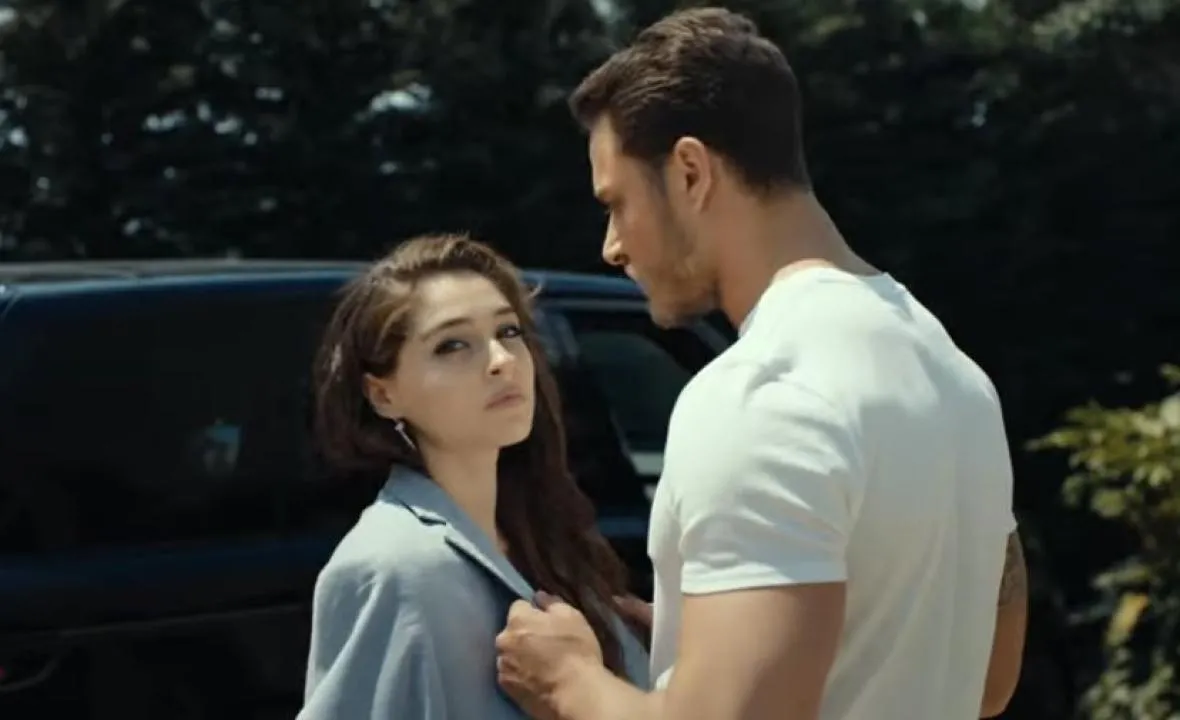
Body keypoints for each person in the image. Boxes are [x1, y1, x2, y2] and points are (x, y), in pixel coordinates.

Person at [493, 7, 1028, 720]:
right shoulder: (951, 372)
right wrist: (707, 639)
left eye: (616, 203)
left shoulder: (760, 393)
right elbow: (986, 680)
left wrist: (569, 680)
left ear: (690, 172)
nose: (611, 246)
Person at [297, 234, 649, 719]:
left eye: (509, 331)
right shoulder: (394, 568)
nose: (502, 360)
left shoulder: (546, 537)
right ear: (383, 395)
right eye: (453, 345)